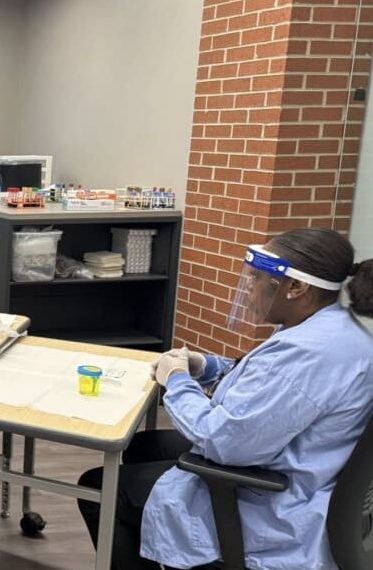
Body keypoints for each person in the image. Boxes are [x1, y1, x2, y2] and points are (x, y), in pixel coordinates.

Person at [77, 228, 373, 570]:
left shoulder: (311, 353)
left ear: (296, 287)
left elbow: (224, 440)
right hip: (300, 466)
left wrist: (176, 381)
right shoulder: (330, 328)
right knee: (144, 447)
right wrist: (206, 366)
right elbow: (264, 381)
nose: (249, 286)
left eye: (257, 277)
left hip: (278, 504)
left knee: (101, 489)